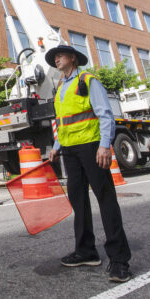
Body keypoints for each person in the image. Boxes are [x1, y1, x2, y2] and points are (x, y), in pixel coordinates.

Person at [46, 44, 132, 282]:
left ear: (73, 58)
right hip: (70, 151)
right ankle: (86, 251)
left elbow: (105, 114)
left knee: (106, 199)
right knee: (78, 200)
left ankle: (119, 260)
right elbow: (62, 122)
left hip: (92, 147)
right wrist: (56, 147)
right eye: (54, 57)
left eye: (60, 56)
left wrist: (105, 145)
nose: (56, 60)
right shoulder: (61, 87)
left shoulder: (87, 80)